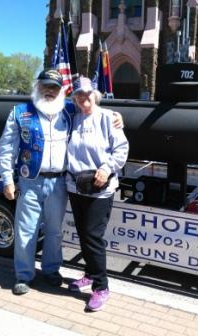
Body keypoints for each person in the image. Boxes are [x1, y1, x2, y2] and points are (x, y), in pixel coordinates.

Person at [0, 70, 123, 295]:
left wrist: (116, 115)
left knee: (55, 231)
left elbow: (94, 109)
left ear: (62, 91)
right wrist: (7, 179)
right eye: (45, 85)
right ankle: (24, 275)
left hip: (59, 182)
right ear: (37, 86)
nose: (49, 90)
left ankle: (51, 270)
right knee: (26, 230)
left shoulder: (69, 110)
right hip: (30, 181)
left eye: (54, 87)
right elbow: (7, 148)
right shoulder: (19, 113)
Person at [66, 77, 129, 311]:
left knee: (93, 237)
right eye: (79, 95)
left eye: (88, 93)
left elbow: (122, 148)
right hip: (75, 186)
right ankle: (90, 274)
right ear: (74, 98)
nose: (84, 98)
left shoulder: (108, 117)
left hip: (100, 187)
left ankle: (101, 287)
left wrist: (106, 168)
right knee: (83, 234)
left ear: (96, 95)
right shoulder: (72, 118)